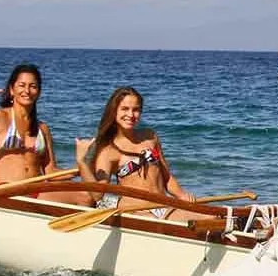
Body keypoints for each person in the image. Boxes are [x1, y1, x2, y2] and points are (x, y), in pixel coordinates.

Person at [0, 64, 93, 205]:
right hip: (7, 190)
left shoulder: (42, 129)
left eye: (33, 86)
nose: (27, 91)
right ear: (12, 90)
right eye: (22, 85)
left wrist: (81, 167)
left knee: (86, 196)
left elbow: (50, 171)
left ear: (39, 92)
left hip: (36, 190)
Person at [78, 86, 211, 221]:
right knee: (206, 219)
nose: (131, 115)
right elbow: (97, 195)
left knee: (214, 216)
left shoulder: (150, 137)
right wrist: (82, 162)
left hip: (164, 206)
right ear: (114, 111)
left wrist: (182, 195)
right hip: (136, 211)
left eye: (136, 110)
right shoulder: (108, 150)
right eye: (125, 109)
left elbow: (166, 177)